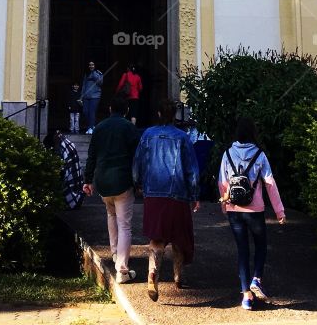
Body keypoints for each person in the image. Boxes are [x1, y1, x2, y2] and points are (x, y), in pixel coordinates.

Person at [132, 98, 200, 302]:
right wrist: (195, 194)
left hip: (153, 192)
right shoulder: (182, 137)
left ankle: (153, 272)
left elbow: (138, 161)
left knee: (156, 238)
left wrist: (137, 183)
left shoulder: (147, 135)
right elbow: (191, 169)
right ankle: (179, 276)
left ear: (159, 114)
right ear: (175, 116)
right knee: (179, 235)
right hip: (177, 192)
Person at [218, 116, 286, 311]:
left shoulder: (227, 154)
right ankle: (257, 278)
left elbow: (222, 181)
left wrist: (225, 205)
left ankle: (246, 295)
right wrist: (279, 211)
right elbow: (270, 183)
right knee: (261, 245)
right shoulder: (260, 155)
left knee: (242, 250)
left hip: (234, 209)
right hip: (255, 209)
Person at [83, 96, 139, 284]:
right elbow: (137, 155)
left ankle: (115, 254)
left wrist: (87, 180)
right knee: (125, 225)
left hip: (103, 181)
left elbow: (91, 155)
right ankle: (122, 269)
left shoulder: (99, 128)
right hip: (122, 179)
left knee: (111, 216)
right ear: (126, 110)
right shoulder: (128, 127)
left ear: (109, 108)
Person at [43, 129, 85, 210]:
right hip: (78, 195)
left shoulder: (62, 148)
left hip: (71, 198)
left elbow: (62, 174)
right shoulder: (66, 142)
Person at [80, 59, 103, 133]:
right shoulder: (86, 74)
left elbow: (100, 83)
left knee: (92, 112)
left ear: (95, 66)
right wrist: (81, 96)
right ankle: (91, 125)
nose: (91, 66)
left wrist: (94, 73)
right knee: (85, 111)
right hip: (86, 96)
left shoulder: (98, 73)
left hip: (95, 96)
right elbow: (84, 85)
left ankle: (90, 128)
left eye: (92, 65)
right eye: (90, 65)